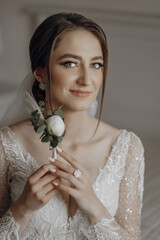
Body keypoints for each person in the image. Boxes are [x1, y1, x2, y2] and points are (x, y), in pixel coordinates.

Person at [0, 12, 145, 240]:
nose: (87, 79)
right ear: (40, 73)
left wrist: (92, 204)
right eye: (70, 63)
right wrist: (22, 209)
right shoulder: (6, 145)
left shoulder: (126, 147)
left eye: (96, 65)